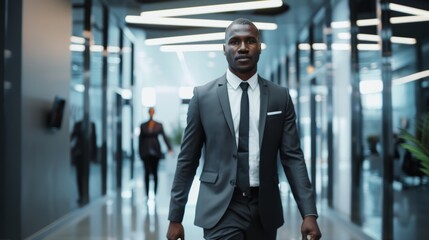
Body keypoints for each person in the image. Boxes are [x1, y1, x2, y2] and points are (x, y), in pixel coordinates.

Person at [167, 18, 321, 240]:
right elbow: (188, 159)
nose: (242, 47)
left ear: (259, 47)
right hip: (220, 206)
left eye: (250, 41)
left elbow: (292, 157)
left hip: (264, 207)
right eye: (234, 41)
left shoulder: (280, 97)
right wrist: (175, 216)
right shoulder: (203, 97)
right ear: (224, 49)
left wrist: (309, 213)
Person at [139, 107, 173, 199]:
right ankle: (146, 194)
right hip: (145, 151)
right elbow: (140, 140)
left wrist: (169, 147)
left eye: (152, 112)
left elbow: (164, 136)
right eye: (150, 111)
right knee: (146, 172)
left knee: (155, 172)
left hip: (156, 151)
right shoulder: (143, 125)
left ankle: (154, 193)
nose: (151, 113)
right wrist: (140, 153)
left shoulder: (159, 125)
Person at [70, 119, 97, 206]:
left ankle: (86, 194)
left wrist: (94, 155)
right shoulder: (77, 124)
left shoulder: (92, 124)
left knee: (86, 175)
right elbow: (72, 137)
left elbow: (94, 139)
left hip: (87, 155)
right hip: (79, 155)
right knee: (79, 176)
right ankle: (81, 195)